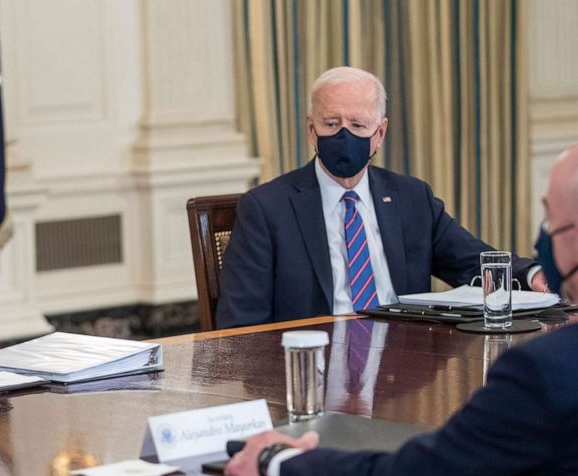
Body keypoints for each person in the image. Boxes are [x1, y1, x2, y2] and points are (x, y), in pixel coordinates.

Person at [223, 144, 578, 476]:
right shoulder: (268, 205)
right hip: (302, 378)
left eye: (549, 217)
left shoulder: (542, 372)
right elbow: (241, 329)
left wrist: (276, 459)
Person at [216, 66, 545, 328]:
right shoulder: (266, 208)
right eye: (331, 123)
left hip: (404, 370)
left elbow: (473, 261)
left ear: (380, 134)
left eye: (358, 125)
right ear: (311, 129)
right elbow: (242, 325)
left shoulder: (410, 197)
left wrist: (533, 275)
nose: (343, 135)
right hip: (312, 373)